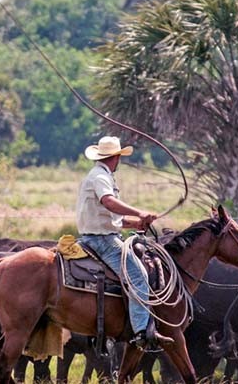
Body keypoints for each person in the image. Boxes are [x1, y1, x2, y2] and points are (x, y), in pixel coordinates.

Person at [75, 135, 174, 349]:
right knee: (138, 276)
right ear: (116, 157)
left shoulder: (100, 175)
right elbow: (109, 202)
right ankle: (141, 331)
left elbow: (111, 217)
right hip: (103, 241)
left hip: (98, 236)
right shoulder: (101, 177)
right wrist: (140, 211)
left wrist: (138, 222)